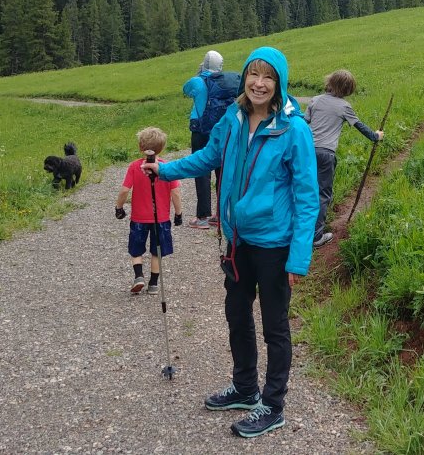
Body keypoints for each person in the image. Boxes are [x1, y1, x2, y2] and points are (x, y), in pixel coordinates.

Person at [142, 46, 317, 439]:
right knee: (237, 315)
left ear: (279, 83)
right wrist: (165, 169)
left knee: (275, 327)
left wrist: (298, 259)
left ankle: (273, 406)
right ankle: (245, 388)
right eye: (253, 75)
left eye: (268, 77)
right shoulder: (233, 117)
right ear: (244, 80)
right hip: (236, 241)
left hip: (274, 245)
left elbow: (308, 198)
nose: (259, 83)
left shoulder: (294, 130)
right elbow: (208, 156)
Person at [305, 69, 383, 247]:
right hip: (326, 154)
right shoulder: (344, 106)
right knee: (323, 193)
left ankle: (300, 230)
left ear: (330, 82)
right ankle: (316, 237)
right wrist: (375, 136)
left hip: (307, 151)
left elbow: (303, 122)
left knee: (305, 190)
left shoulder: (315, 100)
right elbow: (360, 126)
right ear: (348, 89)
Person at [115, 127, 183, 294]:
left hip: (139, 218)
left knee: (136, 248)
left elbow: (124, 190)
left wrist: (119, 207)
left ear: (141, 147)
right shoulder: (167, 168)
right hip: (161, 219)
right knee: (156, 251)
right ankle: (153, 284)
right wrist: (178, 213)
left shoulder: (134, 166)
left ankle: (139, 276)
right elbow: (175, 193)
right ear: (162, 148)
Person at [181, 50, 225, 228]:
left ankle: (203, 216)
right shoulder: (224, 82)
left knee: (201, 170)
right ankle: (221, 215)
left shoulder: (198, 82)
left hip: (200, 131)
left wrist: (199, 74)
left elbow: (186, 90)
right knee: (221, 172)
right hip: (221, 131)